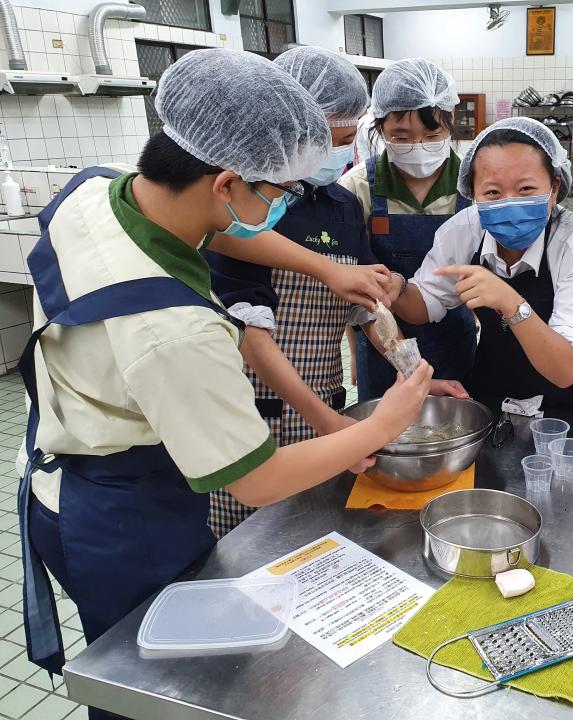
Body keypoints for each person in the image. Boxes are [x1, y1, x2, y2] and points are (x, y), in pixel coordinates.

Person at [16, 49, 432, 719]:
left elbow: (222, 231)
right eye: (274, 193)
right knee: (152, 690)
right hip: (122, 516)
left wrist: (324, 270)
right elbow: (257, 480)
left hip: (58, 473)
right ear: (226, 182)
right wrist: (382, 423)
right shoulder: (174, 331)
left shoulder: (99, 190)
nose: (278, 207)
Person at [204, 47, 466, 538]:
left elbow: (367, 308)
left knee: (315, 543)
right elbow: (250, 335)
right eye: (329, 139)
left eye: (347, 140)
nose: (338, 153)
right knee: (252, 549)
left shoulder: (341, 204)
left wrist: (412, 381)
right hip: (259, 414)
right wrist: (326, 421)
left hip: (330, 402)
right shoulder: (245, 206)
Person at [387, 117, 573, 410]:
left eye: (526, 190)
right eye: (493, 192)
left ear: (555, 187)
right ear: (473, 194)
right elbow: (425, 304)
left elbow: (565, 370)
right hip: (499, 388)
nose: (509, 204)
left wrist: (510, 302)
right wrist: (396, 288)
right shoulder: (464, 231)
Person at [339, 58, 477, 401]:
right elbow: (349, 284)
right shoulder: (357, 189)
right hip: (383, 342)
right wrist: (356, 350)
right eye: (401, 136)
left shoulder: (474, 187)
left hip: (453, 339)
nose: (417, 146)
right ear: (379, 128)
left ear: (451, 124)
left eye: (432, 135)